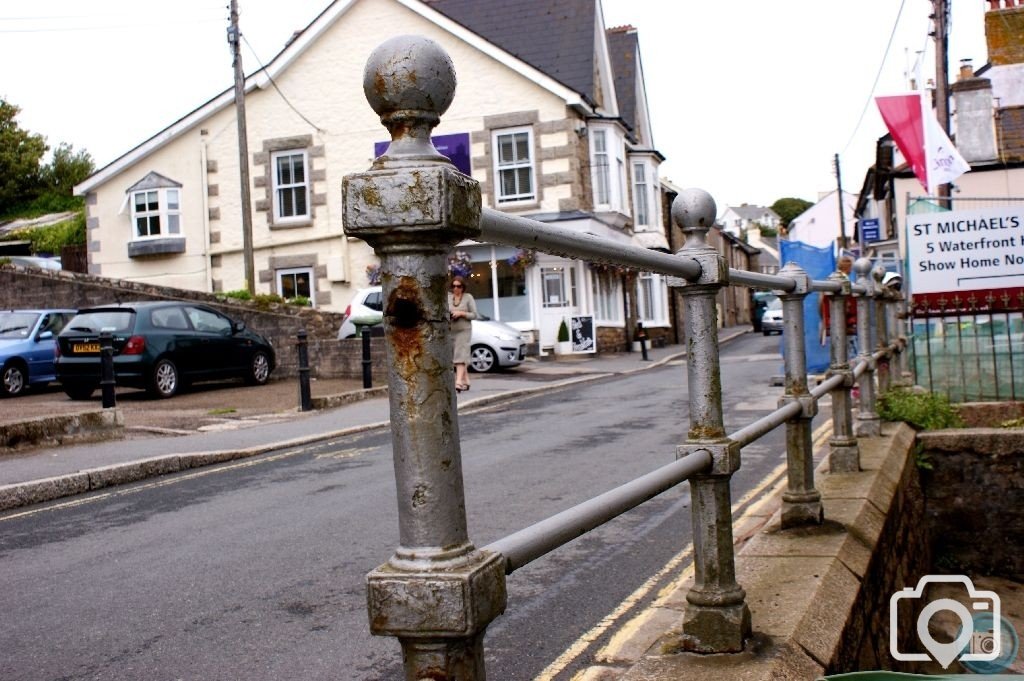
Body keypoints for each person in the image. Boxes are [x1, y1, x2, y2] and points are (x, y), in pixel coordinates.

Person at [448, 275, 477, 393]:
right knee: (457, 355)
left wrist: (461, 313)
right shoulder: (448, 297)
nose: (456, 288)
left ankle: (458, 382)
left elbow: (474, 314)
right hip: (450, 330)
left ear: (463, 287)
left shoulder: (468, 297)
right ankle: (466, 381)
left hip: (464, 330)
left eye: (458, 286)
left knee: (460, 355)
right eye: (454, 286)